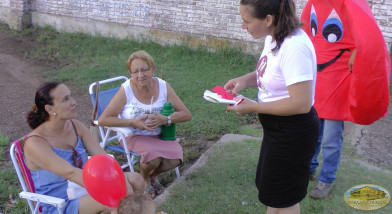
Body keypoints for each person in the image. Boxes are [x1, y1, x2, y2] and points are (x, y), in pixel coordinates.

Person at [223, 0, 318, 213]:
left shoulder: (294, 47)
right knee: (274, 195)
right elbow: (269, 71)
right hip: (277, 130)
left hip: (293, 133)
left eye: (246, 20)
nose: (242, 26)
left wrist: (254, 107)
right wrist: (244, 80)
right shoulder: (274, 37)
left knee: (285, 198)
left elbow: (301, 104)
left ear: (268, 19)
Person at [301, 0, 391, 199]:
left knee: (331, 137)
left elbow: (367, 34)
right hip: (318, 79)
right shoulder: (314, 3)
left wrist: (359, 51)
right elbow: (304, 28)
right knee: (313, 130)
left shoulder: (350, 4)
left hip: (339, 79)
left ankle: (327, 178)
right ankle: (309, 167)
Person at [24, 82, 145, 214]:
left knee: (136, 180)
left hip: (84, 187)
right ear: (50, 109)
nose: (73, 102)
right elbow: (71, 173)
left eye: (70, 96)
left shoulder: (76, 126)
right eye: (66, 99)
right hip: (60, 203)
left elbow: (104, 158)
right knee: (115, 200)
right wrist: (115, 188)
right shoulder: (36, 143)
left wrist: (121, 179)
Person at [98, 50, 192, 199]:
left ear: (152, 69)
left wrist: (165, 120)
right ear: (130, 73)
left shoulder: (163, 86)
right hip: (134, 135)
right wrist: (133, 123)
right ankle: (144, 178)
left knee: (175, 159)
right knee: (153, 157)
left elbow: (186, 114)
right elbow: (103, 120)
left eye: (144, 70)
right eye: (135, 71)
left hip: (161, 135)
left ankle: (152, 175)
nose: (140, 75)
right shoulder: (126, 89)